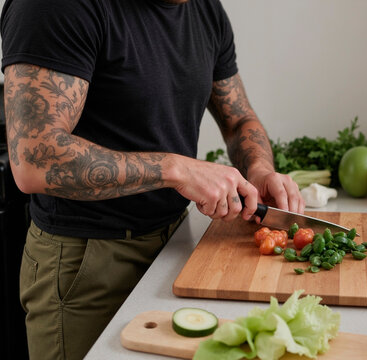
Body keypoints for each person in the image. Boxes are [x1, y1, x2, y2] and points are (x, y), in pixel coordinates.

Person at [1, 0, 304, 359]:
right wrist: (177, 169)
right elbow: (34, 160)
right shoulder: (54, 7)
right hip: (86, 262)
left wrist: (260, 170)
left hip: (176, 244)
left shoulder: (204, 9)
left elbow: (239, 121)